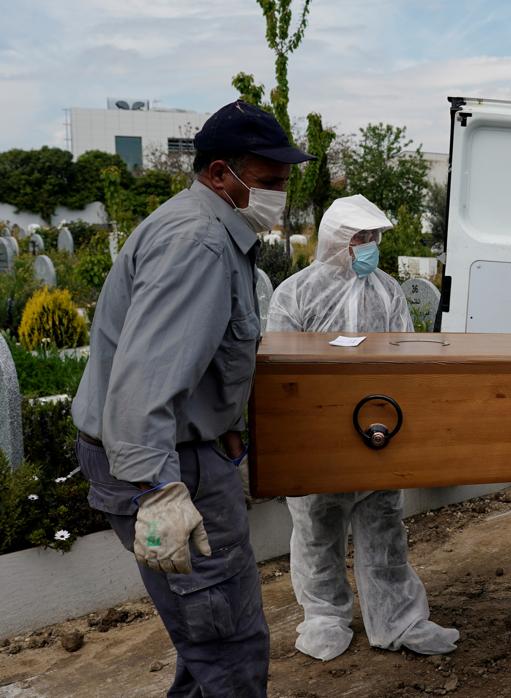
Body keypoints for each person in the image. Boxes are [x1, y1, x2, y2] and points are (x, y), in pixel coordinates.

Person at [71, 100, 313, 697]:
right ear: (218, 174)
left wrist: (224, 428)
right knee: (226, 641)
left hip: (186, 454)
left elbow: (196, 360)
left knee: (211, 640)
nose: (279, 194)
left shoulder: (210, 228)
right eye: (269, 182)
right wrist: (159, 491)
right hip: (162, 468)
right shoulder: (198, 243)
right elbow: (143, 384)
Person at [267, 195, 460, 662]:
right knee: (317, 529)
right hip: (318, 436)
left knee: (385, 528)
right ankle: (324, 616)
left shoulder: (388, 290)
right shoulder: (295, 294)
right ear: (336, 242)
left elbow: (404, 355)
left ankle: (399, 619)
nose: (369, 246)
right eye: (360, 238)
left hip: (378, 429)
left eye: (374, 237)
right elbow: (279, 372)